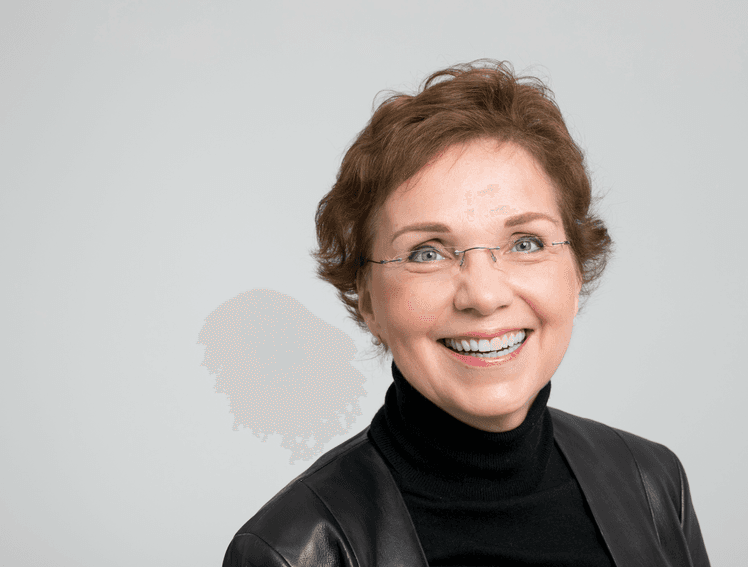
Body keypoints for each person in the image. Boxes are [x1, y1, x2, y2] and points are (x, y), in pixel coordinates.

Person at [222, 59, 711, 567]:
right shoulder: (289, 550)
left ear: (576, 269)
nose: (483, 295)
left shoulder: (652, 484)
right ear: (367, 300)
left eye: (525, 242)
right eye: (427, 252)